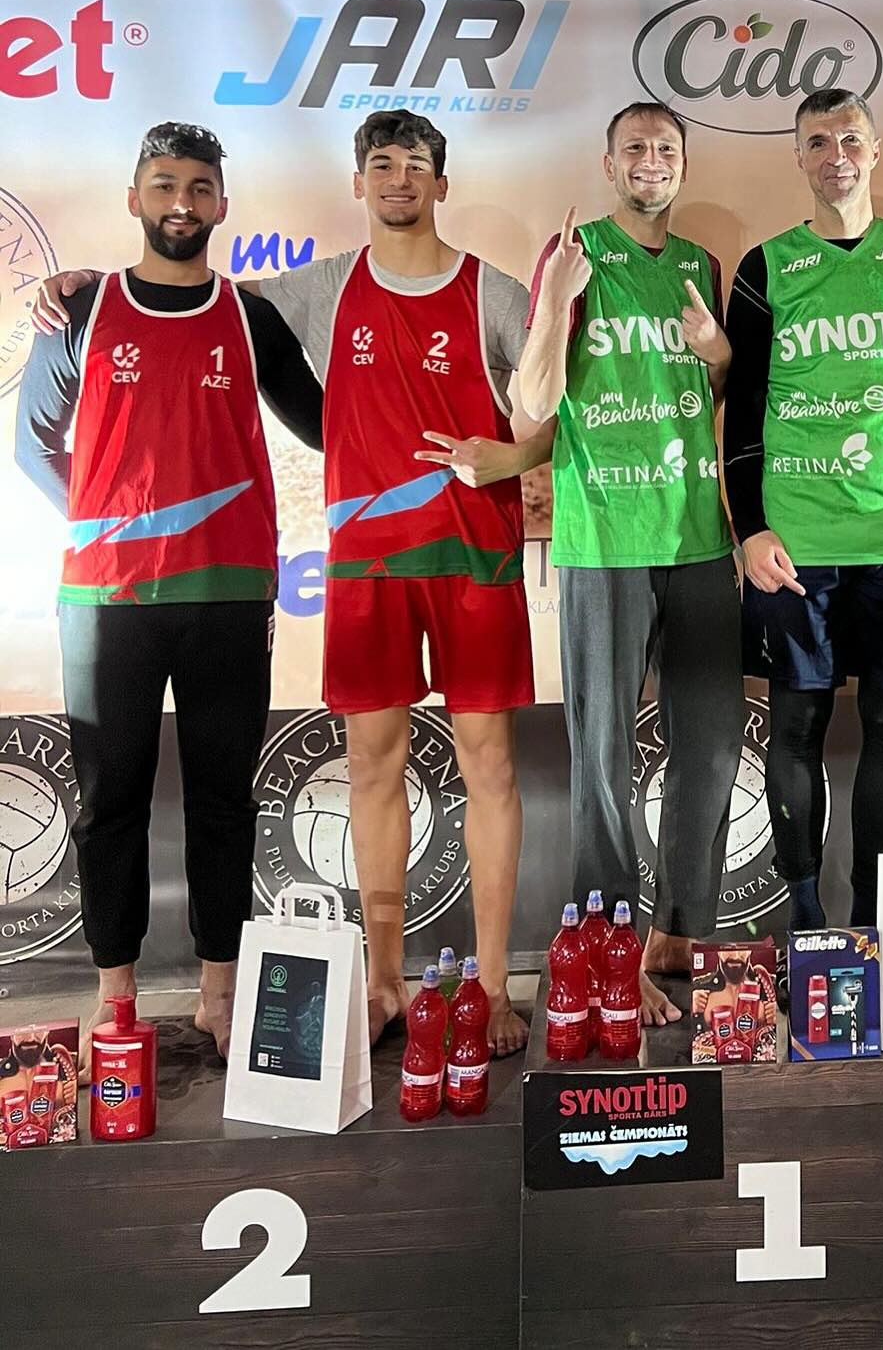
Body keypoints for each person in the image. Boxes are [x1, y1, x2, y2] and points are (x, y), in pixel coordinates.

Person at [33, 110, 552, 1054]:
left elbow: (554, 399)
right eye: (382, 164)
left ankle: (479, 986)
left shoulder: (483, 292)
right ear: (359, 182)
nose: (399, 179)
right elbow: (176, 300)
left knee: (480, 769)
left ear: (441, 182)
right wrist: (76, 287)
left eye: (417, 165)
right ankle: (372, 982)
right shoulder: (296, 292)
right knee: (355, 771)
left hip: (448, 559)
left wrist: (515, 455)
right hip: (326, 571)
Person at [16, 123, 323, 1068]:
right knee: (109, 802)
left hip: (228, 595)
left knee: (223, 801)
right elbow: (33, 442)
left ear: (222, 204)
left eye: (197, 187)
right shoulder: (81, 309)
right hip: (105, 603)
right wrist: (110, 522)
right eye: (162, 184)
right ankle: (114, 1002)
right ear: (135, 198)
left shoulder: (249, 318)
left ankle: (219, 995)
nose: (180, 203)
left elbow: (329, 426)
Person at [723, 87, 883, 931]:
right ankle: (804, 918)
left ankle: (870, 922)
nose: (836, 155)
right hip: (798, 543)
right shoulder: (765, 266)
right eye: (818, 141)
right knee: (794, 726)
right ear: (798, 156)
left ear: (875, 150)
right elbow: (743, 406)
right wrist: (750, 526)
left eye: (850, 139)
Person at [519, 102, 742, 1024]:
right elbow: (533, 403)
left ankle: (678, 930)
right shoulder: (574, 254)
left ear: (683, 165)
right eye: (636, 149)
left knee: (713, 745)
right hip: (605, 538)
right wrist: (555, 299)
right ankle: (609, 946)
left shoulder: (701, 266)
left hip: (696, 535)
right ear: (609, 165)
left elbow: (714, 386)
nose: (652, 161)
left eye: (667, 148)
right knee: (602, 757)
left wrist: (718, 354)